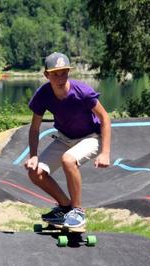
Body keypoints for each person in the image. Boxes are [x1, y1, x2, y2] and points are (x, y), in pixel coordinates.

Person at [24, 52, 111, 228]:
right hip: (65, 139)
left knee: (68, 160)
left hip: (91, 138)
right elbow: (34, 129)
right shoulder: (43, 94)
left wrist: (105, 153)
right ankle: (65, 206)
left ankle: (78, 211)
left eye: (64, 73)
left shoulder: (82, 92)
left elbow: (105, 119)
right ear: (46, 75)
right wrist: (33, 155)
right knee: (35, 172)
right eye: (55, 74)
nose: (60, 78)